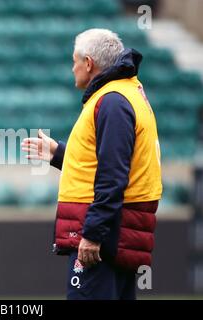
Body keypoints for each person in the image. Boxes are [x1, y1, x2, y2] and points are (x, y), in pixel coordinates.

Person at [22, 28, 162, 300]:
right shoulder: (127, 93)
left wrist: (93, 234)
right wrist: (58, 153)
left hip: (105, 237)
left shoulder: (111, 102)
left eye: (74, 60)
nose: (72, 67)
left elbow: (112, 176)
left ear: (88, 63)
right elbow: (109, 164)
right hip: (121, 233)